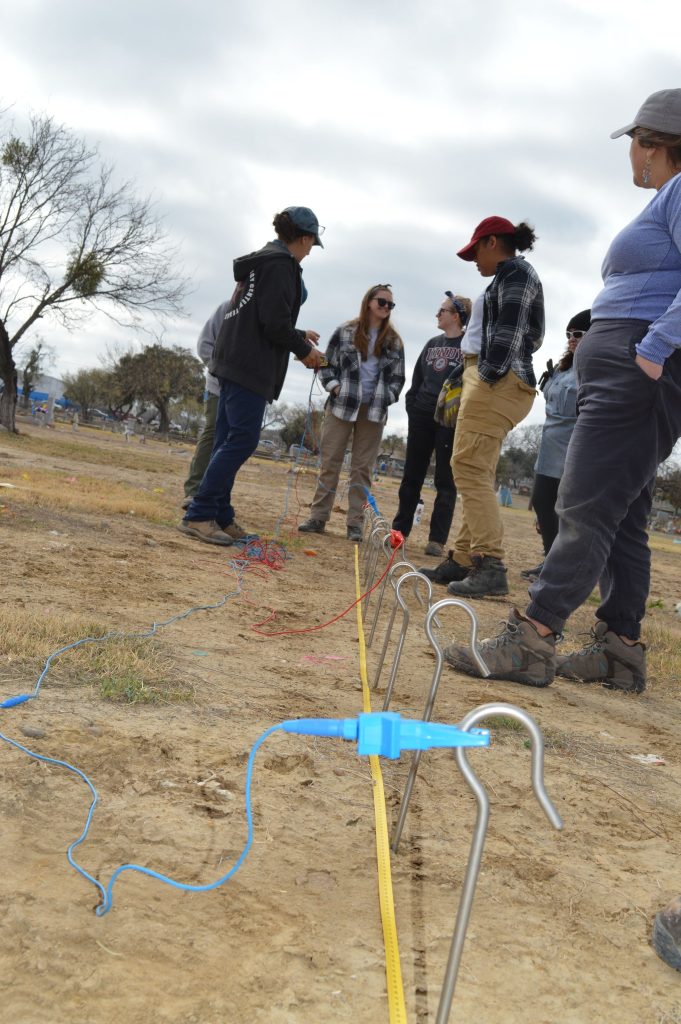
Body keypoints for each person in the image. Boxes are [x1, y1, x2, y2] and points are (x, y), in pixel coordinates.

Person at [444, 88, 681, 693]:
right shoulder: (667, 198)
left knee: (584, 502)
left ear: (653, 144)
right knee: (622, 512)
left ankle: (534, 637)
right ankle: (620, 650)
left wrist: (653, 348)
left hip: (638, 369)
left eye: (633, 142)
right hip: (630, 368)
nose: (630, 154)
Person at [179, 206, 325, 545]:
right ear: (304, 238)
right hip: (249, 368)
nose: (309, 252)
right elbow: (273, 323)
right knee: (241, 442)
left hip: (232, 363)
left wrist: (298, 334)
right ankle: (199, 514)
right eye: (311, 244)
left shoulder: (261, 263)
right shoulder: (281, 266)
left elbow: (261, 317)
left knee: (226, 441)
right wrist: (305, 352)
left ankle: (220, 513)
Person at [423, 216, 544, 597]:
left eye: (475, 251)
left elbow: (509, 334)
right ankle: (461, 559)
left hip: (498, 379)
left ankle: (490, 564)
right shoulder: (506, 278)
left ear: (492, 242)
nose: (473, 260)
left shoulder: (517, 274)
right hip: (494, 377)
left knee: (468, 466)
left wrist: (486, 376)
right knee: (474, 467)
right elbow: (519, 335)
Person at [298, 284, 405, 541]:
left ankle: (354, 523)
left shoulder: (394, 340)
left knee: (362, 469)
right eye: (382, 302)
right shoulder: (345, 332)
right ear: (368, 302)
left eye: (391, 304)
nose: (386, 307)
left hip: (373, 412)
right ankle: (318, 517)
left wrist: (386, 397)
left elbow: (398, 379)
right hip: (341, 405)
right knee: (330, 462)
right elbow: (325, 363)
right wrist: (334, 387)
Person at [391, 292, 472, 557]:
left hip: (449, 420)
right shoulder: (432, 343)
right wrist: (413, 408)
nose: (438, 314)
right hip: (422, 415)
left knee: (445, 481)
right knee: (411, 476)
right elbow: (416, 381)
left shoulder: (470, 346)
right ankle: (399, 532)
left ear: (456, 315)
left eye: (443, 310)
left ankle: (437, 540)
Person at [521, 310, 592, 581]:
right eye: (568, 335)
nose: (571, 339)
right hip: (548, 446)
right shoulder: (563, 368)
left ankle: (563, 568)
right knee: (542, 502)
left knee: (565, 512)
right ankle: (550, 560)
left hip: (573, 449)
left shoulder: (592, 368)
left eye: (578, 334)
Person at [180, 301, 228, 510]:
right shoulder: (228, 307)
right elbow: (204, 345)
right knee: (212, 433)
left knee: (231, 442)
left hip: (247, 391)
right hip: (219, 386)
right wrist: (222, 372)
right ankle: (194, 490)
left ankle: (215, 493)